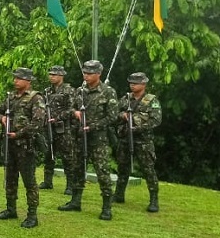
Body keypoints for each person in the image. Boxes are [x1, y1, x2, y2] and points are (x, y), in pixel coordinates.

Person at [58, 59, 118, 220]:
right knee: (77, 168)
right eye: (84, 72)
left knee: (102, 172)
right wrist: (75, 113)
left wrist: (92, 126)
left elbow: (112, 116)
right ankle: (75, 201)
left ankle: (107, 207)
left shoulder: (107, 92)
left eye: (90, 73)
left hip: (98, 139)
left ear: (98, 74)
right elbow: (70, 108)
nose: (86, 75)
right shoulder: (80, 91)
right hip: (79, 137)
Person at [0, 68, 46, 228]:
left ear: (28, 81)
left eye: (19, 78)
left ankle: (32, 215)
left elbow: (38, 123)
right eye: (15, 78)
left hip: (25, 146)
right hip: (10, 145)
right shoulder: (10, 98)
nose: (15, 81)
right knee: (10, 178)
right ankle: (11, 209)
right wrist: (1, 118)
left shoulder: (35, 98)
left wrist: (19, 134)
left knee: (29, 181)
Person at [115, 72, 163, 212]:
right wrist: (123, 116)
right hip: (125, 138)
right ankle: (119, 194)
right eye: (131, 82)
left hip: (143, 141)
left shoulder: (151, 100)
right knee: (122, 168)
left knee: (148, 170)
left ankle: (154, 200)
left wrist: (137, 126)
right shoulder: (126, 99)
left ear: (143, 84)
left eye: (135, 83)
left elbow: (156, 120)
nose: (132, 85)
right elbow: (114, 114)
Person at [42, 65, 80, 195]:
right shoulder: (47, 91)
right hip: (49, 127)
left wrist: (57, 118)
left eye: (54, 75)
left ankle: (70, 185)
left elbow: (72, 110)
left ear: (61, 76)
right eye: (50, 74)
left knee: (68, 157)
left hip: (64, 129)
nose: (51, 77)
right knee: (48, 154)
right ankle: (47, 181)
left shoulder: (69, 90)